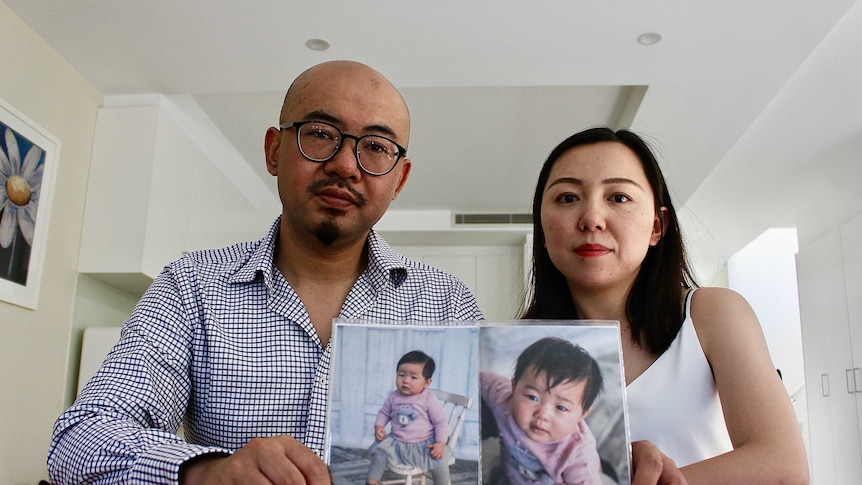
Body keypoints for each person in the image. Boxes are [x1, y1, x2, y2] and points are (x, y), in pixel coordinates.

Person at [47, 60, 483, 485]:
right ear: (275, 151)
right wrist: (207, 472)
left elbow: (483, 453)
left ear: (398, 180)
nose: (346, 166)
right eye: (320, 134)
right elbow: (79, 439)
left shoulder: (449, 303)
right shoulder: (192, 285)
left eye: (375, 147)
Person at [521, 127, 809, 485]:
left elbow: (783, 468)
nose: (592, 218)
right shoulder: (523, 346)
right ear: (543, 230)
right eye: (567, 198)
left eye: (619, 197)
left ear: (657, 226)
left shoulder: (711, 315)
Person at [480, 337, 604, 485]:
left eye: (561, 407)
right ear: (513, 388)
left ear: (582, 415)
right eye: (533, 397)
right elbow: (481, 378)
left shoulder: (578, 455)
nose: (542, 414)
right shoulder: (503, 401)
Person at [366, 350, 451, 485]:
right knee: (380, 452)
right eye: (401, 375)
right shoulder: (394, 396)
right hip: (397, 443)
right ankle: (372, 481)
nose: (405, 380)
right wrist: (379, 426)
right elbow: (384, 412)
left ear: (427, 382)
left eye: (413, 377)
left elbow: (440, 423)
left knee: (439, 461)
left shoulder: (428, 399)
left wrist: (440, 443)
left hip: (423, 445)